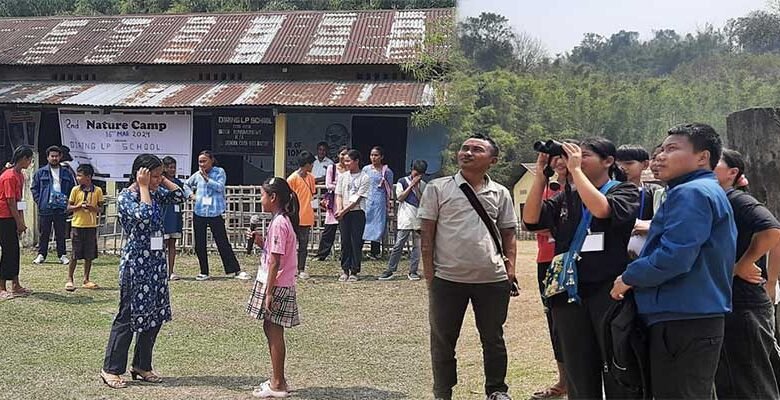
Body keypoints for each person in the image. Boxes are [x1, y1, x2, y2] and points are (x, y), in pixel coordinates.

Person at [611, 123, 736, 399]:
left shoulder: (690, 193)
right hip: (692, 316)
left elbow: (674, 257)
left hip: (683, 318)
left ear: (702, 157)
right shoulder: (702, 190)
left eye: (672, 149)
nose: (661, 157)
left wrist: (628, 277)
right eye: (661, 150)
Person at [524, 137, 639, 400]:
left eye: (584, 155)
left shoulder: (624, 191)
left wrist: (575, 171)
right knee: (577, 367)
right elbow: (530, 219)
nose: (575, 159)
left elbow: (601, 210)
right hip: (568, 292)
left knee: (616, 363)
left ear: (608, 161)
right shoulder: (567, 197)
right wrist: (541, 175)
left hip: (608, 291)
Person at [420, 133, 517, 400]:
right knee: (442, 340)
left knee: (493, 338)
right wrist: (430, 274)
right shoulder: (438, 188)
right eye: (464, 148)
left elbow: (509, 232)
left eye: (476, 150)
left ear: (492, 160)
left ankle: (496, 390)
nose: (467, 153)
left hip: (492, 278)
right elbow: (426, 235)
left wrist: (510, 269)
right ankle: (443, 391)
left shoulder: (500, 192)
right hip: (448, 278)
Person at [101, 154, 186, 389]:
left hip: (156, 265)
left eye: (161, 175)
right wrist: (143, 186)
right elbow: (146, 215)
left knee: (154, 315)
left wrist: (161, 180)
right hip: (136, 264)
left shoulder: (157, 190)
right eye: (155, 175)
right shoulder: (126, 197)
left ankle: (142, 365)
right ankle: (111, 368)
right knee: (128, 316)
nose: (160, 180)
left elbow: (181, 195)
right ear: (141, 173)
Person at [713, 149, 780, 399]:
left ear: (733, 173)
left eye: (714, 161)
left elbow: (773, 230)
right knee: (733, 378)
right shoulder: (715, 200)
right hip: (727, 300)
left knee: (750, 381)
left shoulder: (736, 199)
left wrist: (744, 264)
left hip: (743, 301)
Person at [245, 177, 301, 398]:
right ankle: (279, 379)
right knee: (270, 328)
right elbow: (274, 253)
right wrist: (260, 241)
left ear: (273, 197)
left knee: (274, 330)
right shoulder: (281, 220)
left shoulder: (279, 223)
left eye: (262, 195)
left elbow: (276, 261)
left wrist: (269, 292)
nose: (261, 200)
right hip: (278, 281)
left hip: (276, 284)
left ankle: (277, 383)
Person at [530, 155, 568, 400]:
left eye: (564, 156)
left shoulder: (589, 187)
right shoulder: (546, 188)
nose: (560, 162)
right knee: (555, 321)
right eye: (555, 159)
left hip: (578, 261)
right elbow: (533, 222)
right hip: (547, 260)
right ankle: (563, 380)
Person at [185, 150, 250, 281]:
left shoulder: (219, 172)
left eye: (204, 161)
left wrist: (207, 178)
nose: (202, 164)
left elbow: (220, 187)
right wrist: (191, 195)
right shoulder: (196, 175)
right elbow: (186, 184)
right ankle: (204, 271)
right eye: (200, 162)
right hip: (200, 211)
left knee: (222, 242)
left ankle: (235, 270)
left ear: (211, 160)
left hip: (215, 212)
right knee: (200, 243)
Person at [378, 159, 428, 281]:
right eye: (416, 173)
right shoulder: (402, 181)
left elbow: (424, 202)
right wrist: (411, 185)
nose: (418, 176)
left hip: (418, 219)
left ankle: (413, 271)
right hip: (405, 217)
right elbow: (400, 197)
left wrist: (417, 188)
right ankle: (390, 269)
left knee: (417, 246)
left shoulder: (424, 185)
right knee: (398, 245)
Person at [31, 145, 75, 265]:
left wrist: (68, 202)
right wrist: (39, 200)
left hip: (61, 206)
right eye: (52, 156)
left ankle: (62, 255)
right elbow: (34, 188)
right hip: (46, 206)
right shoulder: (40, 172)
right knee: (44, 232)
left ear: (60, 157)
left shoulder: (66, 172)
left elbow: (72, 188)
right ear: (48, 157)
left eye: (56, 156)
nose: (54, 158)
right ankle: (41, 254)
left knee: (61, 232)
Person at [616, 144, 661, 258]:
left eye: (629, 163)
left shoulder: (655, 192)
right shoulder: (610, 192)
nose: (622, 167)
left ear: (645, 164)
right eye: (618, 163)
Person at [0, 146, 33, 300]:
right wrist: (18, 222)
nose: (30, 162)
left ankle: (16, 284)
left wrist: (22, 220)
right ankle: (1, 287)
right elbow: (10, 202)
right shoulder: (8, 176)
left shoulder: (20, 175)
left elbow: (20, 200)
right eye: (29, 159)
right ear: (23, 158)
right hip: (4, 217)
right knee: (8, 251)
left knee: (15, 251)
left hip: (13, 216)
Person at [65, 164, 103, 292]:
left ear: (88, 177)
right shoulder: (75, 190)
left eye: (80, 175)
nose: (78, 178)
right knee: (75, 254)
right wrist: (79, 206)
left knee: (89, 254)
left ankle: (86, 279)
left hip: (91, 226)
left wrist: (93, 208)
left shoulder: (97, 191)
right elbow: (69, 208)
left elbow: (100, 209)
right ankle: (70, 279)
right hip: (77, 225)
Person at [335, 149, 370, 282]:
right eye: (345, 161)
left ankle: (354, 270)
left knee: (356, 241)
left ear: (356, 161)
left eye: (349, 161)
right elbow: (338, 194)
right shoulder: (343, 176)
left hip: (357, 212)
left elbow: (358, 198)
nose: (346, 163)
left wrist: (344, 211)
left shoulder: (364, 178)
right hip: (343, 212)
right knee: (345, 241)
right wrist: (339, 209)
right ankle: (345, 269)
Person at [287, 151, 316, 279]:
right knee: (291, 245)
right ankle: (290, 268)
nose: (312, 166)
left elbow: (312, 194)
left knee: (303, 244)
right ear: (306, 164)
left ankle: (301, 268)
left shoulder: (311, 178)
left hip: (307, 215)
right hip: (294, 216)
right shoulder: (292, 179)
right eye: (311, 164)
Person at [316, 146, 348, 261]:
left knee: (346, 231)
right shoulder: (332, 168)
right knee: (329, 229)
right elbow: (328, 185)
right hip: (334, 202)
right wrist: (341, 187)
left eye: (347, 154)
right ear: (338, 155)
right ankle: (322, 254)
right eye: (342, 154)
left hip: (347, 202)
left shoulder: (350, 169)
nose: (344, 157)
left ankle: (345, 255)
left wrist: (339, 186)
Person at [362, 146, 394, 260]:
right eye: (372, 155)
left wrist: (389, 203)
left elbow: (389, 188)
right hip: (367, 199)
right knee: (364, 223)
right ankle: (358, 249)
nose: (373, 157)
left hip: (379, 201)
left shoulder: (387, 172)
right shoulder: (366, 169)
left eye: (376, 155)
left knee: (377, 225)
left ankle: (374, 252)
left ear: (381, 157)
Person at [161, 156, 189, 281]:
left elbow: (182, 195)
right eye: (170, 167)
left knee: (173, 244)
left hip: (175, 216)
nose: (172, 170)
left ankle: (171, 271)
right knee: (163, 245)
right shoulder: (160, 182)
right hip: (164, 216)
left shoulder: (178, 183)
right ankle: (162, 271)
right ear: (164, 168)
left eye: (174, 167)